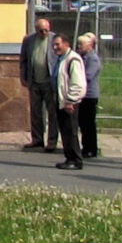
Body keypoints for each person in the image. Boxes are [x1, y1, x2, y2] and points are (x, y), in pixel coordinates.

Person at [19, 17, 55, 151]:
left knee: (52, 113)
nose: (44, 33)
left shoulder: (54, 39)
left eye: (46, 30)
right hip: (34, 81)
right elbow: (23, 60)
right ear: (36, 30)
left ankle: (51, 141)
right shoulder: (29, 40)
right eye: (41, 31)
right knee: (35, 112)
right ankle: (37, 139)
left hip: (49, 82)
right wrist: (23, 77)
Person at [52, 33, 85, 170]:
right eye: (54, 45)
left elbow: (77, 83)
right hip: (61, 100)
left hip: (69, 102)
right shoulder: (62, 58)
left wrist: (70, 101)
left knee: (70, 131)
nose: (55, 47)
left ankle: (76, 160)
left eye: (57, 44)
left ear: (66, 44)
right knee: (64, 131)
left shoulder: (73, 60)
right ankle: (68, 157)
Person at [75, 32, 102, 159]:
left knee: (89, 123)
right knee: (83, 122)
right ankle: (85, 146)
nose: (79, 47)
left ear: (89, 46)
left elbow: (89, 76)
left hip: (90, 95)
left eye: (81, 45)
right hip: (83, 95)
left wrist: (76, 78)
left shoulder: (93, 58)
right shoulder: (82, 57)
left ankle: (91, 148)